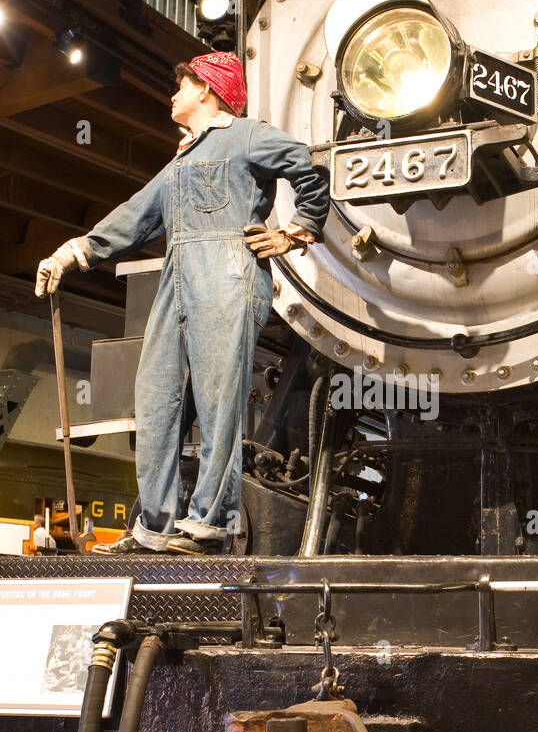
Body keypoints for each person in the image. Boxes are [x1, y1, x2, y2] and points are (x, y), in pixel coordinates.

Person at [35, 52, 329, 553]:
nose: (174, 94)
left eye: (184, 84)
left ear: (208, 91)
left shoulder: (248, 135)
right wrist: (71, 252)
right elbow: (137, 214)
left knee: (218, 403)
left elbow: (310, 170)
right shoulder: (180, 161)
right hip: (178, 278)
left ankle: (210, 525)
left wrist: (297, 231)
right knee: (156, 400)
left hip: (227, 272)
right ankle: (154, 529)